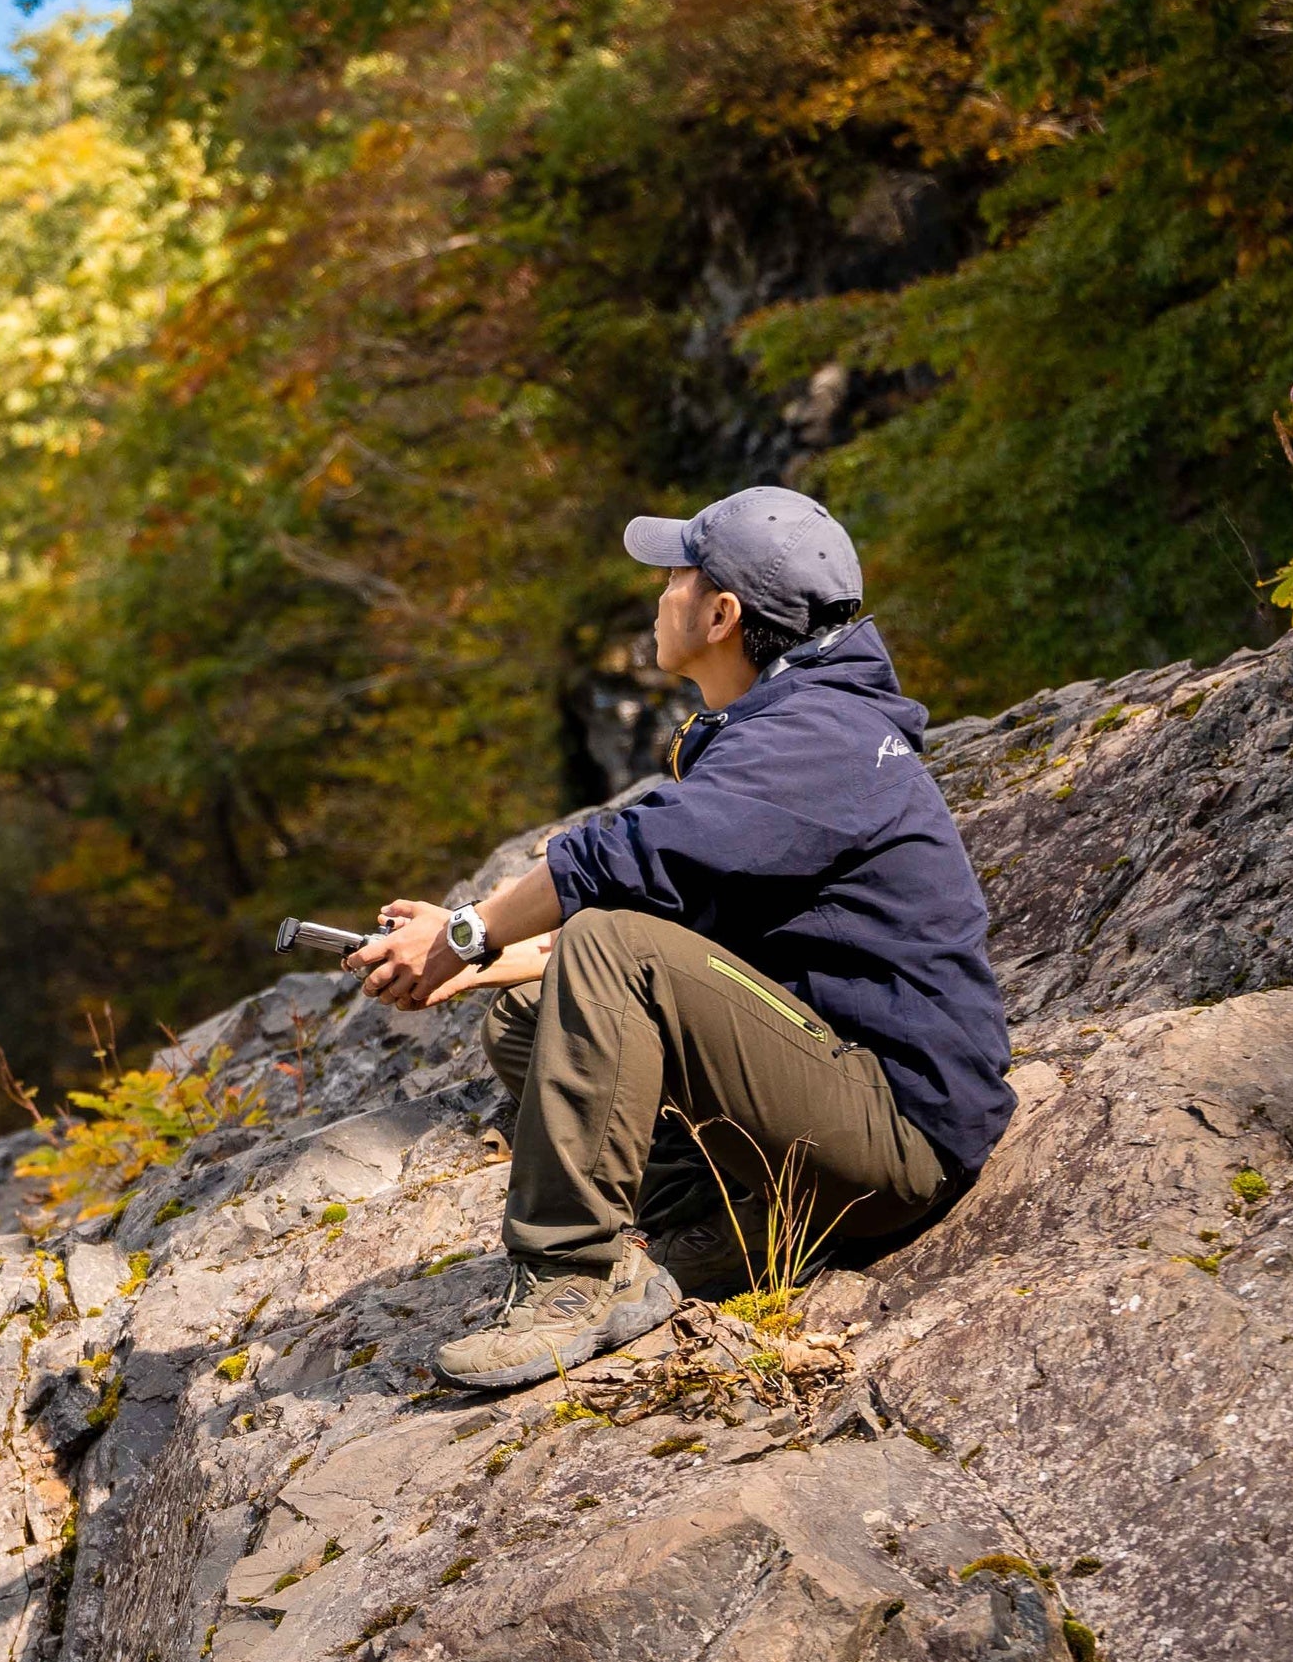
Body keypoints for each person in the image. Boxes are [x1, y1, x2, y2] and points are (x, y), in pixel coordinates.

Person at [344, 486, 1013, 1389]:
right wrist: (483, 961)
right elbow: (688, 915)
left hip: (896, 1144)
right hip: (828, 1089)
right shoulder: (788, 724)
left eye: (675, 577)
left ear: (723, 614)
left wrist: (464, 931)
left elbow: (624, 866)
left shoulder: (817, 739)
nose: (660, 595)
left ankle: (579, 1274)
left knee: (608, 951)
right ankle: (728, 1223)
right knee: (525, 1012)